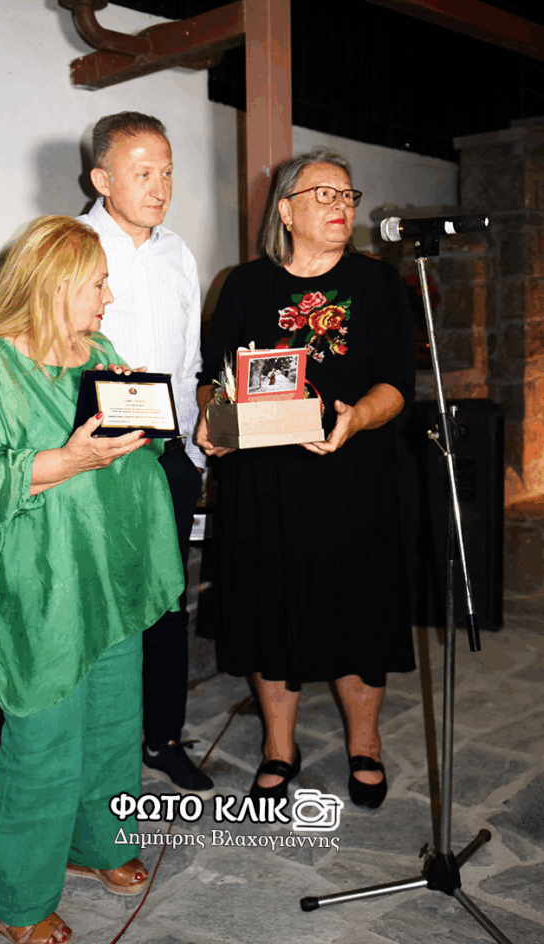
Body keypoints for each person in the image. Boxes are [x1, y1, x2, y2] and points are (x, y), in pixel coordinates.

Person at [0, 216, 183, 944]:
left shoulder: (97, 351)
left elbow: (123, 444)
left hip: (104, 570)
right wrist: (70, 460)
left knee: (112, 721)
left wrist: (148, 421)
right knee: (43, 736)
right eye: (97, 284)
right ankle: (9, 896)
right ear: (53, 286)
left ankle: (98, 844)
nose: (109, 297)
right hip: (39, 583)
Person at [196, 149, 416, 810]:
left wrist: (358, 418)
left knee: (359, 613)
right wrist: (213, 420)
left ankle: (365, 744)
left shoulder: (377, 284)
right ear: (286, 212)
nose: (341, 205)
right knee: (269, 612)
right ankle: (278, 747)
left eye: (347, 194)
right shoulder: (243, 286)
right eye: (324, 193)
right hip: (262, 485)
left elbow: (396, 385)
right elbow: (216, 378)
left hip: (353, 478)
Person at [78, 111, 214, 799]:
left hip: (169, 460)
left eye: (166, 172)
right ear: (102, 179)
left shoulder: (178, 254)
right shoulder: (70, 247)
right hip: (96, 458)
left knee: (166, 604)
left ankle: (162, 737)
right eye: (142, 173)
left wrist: (195, 451)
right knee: (98, 603)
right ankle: (96, 745)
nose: (160, 187)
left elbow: (190, 362)